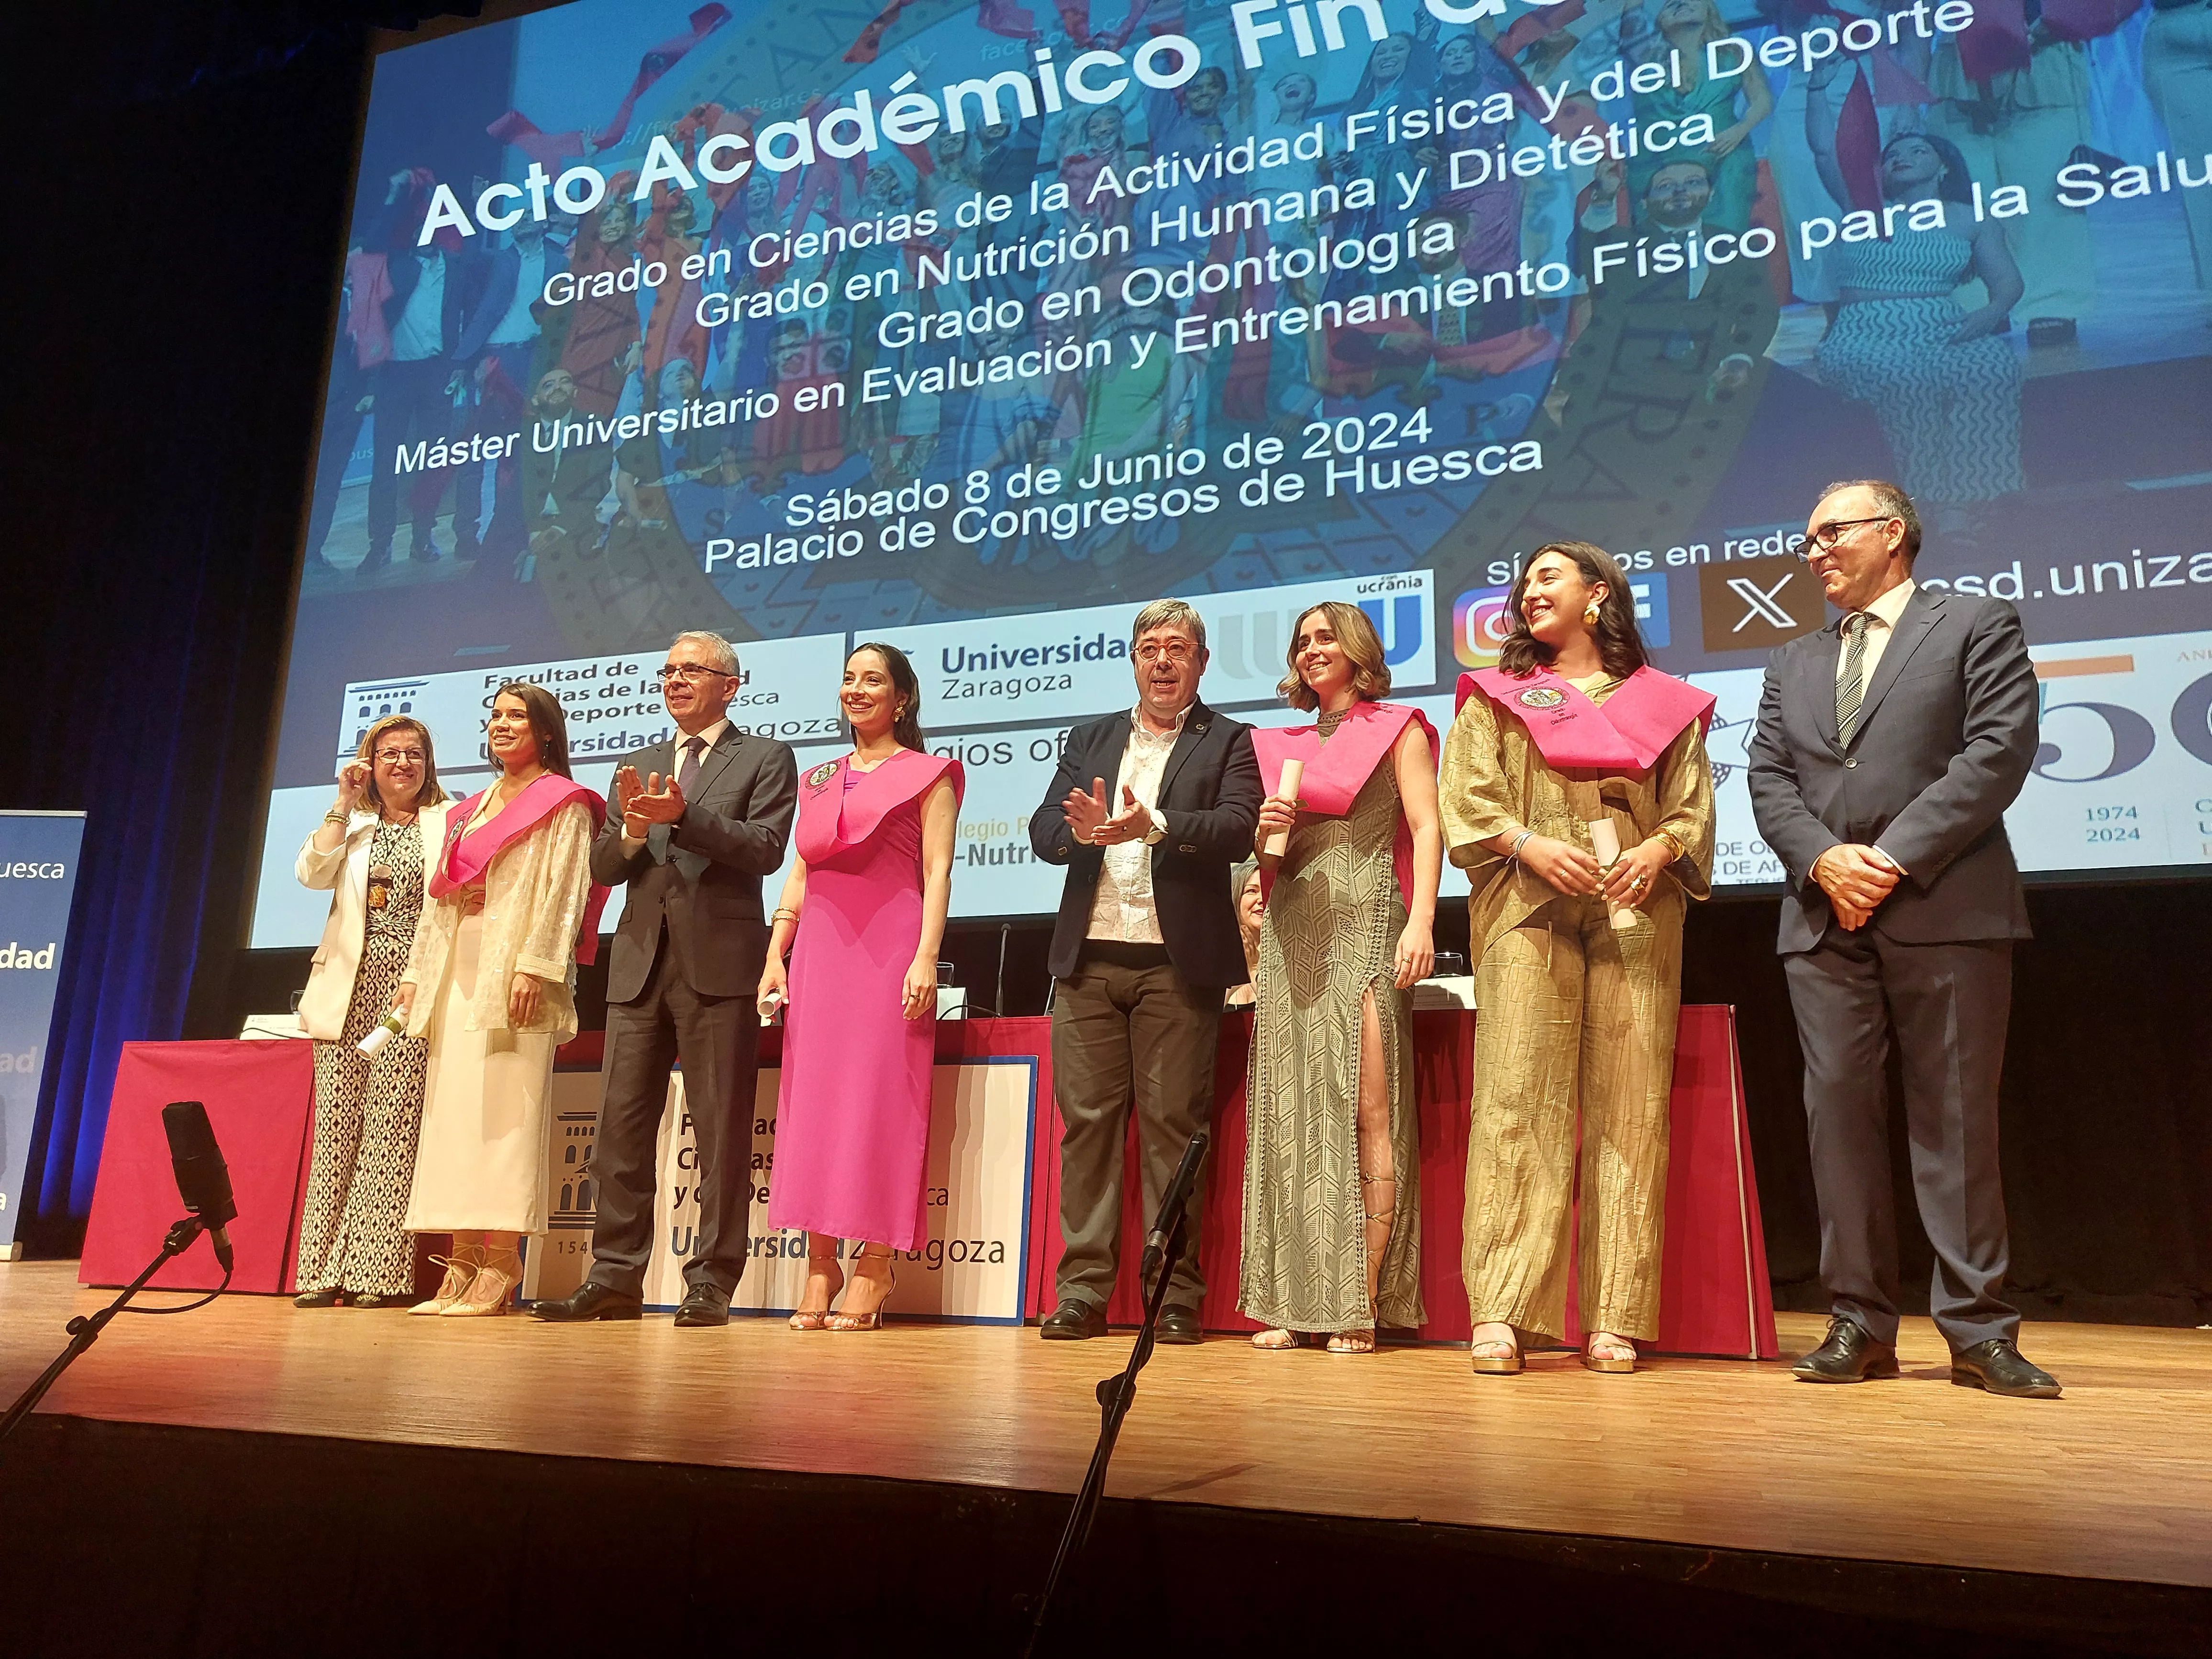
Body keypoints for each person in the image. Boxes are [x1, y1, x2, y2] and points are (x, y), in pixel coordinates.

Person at [1747, 479, 2057, 1398]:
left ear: (1891, 533)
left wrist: (1885, 859)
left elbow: (1997, 750)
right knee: (1836, 1119)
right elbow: (1768, 779)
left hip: (1944, 906)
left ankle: (1976, 1330)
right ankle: (1857, 1321)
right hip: (1821, 918)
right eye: (1805, 539)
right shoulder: (1791, 660)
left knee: (1954, 1118)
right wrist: (1822, 860)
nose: (1812, 551)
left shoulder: (1972, 622)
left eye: (1829, 533)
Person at [1439, 542, 1716, 1376]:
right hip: (1526, 903)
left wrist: (1658, 850)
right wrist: (1526, 843)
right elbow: (1468, 795)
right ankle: (1501, 1310)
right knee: (1514, 1097)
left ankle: (1613, 1315)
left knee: (1630, 1105)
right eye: (1523, 580)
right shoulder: (1495, 697)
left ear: (1597, 595)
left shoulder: (1662, 702)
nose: (1529, 590)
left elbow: (1689, 808)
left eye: (1548, 577)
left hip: (1636, 905)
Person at [533, 630, 797, 1327]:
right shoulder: (640, 764)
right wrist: (629, 832)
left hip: (719, 967)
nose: (675, 680)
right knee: (618, 1136)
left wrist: (686, 817)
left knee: (720, 1134)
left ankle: (711, 1281)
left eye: (692, 670)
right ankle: (614, 1277)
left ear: (729, 687)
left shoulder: (765, 757)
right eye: (669, 671)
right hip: (638, 966)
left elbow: (766, 849)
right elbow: (604, 865)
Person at [1028, 600, 1263, 1342]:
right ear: (1134, 661)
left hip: (1176, 964)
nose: (1163, 660)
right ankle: (1082, 1293)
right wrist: (1077, 833)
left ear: (1201, 662)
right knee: (1088, 1131)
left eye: (1178, 648)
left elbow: (1237, 828)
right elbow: (1042, 829)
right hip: (1089, 960)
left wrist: (1156, 825)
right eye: (1150, 648)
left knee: (1175, 1130)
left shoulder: (1230, 739)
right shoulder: (1092, 737)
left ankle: (1173, 1296)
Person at [1242, 603, 1441, 1354]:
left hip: (1368, 924)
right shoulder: (1284, 745)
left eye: (1326, 638)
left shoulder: (1399, 728)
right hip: (1294, 930)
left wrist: (1423, 922)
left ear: (1358, 648)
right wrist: (1264, 839)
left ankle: (1360, 1298)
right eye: (1302, 642)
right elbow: (1274, 854)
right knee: (1293, 1113)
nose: (1311, 650)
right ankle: (1294, 1298)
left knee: (1366, 1111)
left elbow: (1427, 827)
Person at [759, 644, 962, 1331]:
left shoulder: (930, 775)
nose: (857, 689)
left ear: (902, 698)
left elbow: (937, 872)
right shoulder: (818, 778)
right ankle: (821, 1265)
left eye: (873, 680)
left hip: (890, 953)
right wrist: (776, 954)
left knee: (880, 1105)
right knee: (813, 1108)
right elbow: (800, 871)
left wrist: (926, 957)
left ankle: (875, 1263)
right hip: (820, 956)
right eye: (849, 679)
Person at [393, 684, 604, 1316]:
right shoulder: (470, 810)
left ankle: (503, 1260)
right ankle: (462, 1259)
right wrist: (416, 975)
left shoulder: (563, 802)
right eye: (496, 716)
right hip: (457, 969)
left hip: (514, 972)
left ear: (546, 731)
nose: (502, 725)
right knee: (455, 1117)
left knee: (506, 1116)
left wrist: (536, 967)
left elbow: (566, 890)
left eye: (517, 716)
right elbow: (440, 903)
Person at [291, 716, 454, 1308]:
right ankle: (320, 1271)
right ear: (370, 763)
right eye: (390, 754)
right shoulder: (354, 822)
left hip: (411, 991)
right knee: (336, 1133)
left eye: (414, 753)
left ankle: (375, 1274)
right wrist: (342, 802)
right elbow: (311, 874)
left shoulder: (449, 820)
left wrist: (421, 979)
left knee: (391, 1133)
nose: (403, 763)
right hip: (347, 990)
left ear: (428, 763)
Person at [1806, 121, 2025, 509]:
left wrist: (1990, 314)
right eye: (1892, 156)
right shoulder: (1862, 209)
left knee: (1991, 368)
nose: (1901, 158)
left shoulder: (1971, 218)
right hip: (1865, 332)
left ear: (1944, 166)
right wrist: (1817, 90)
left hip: (1943, 327)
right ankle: (1932, 505)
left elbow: (2008, 284)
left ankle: (1985, 499)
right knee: (1910, 382)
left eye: (1918, 151)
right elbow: (1825, 151)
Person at [1224, 860, 1262, 1007]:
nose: (1262, 899)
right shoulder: (1215, 954)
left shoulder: (1286, 958)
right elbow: (1203, 1016)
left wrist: (1254, 970)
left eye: (1268, 890)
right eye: (1252, 891)